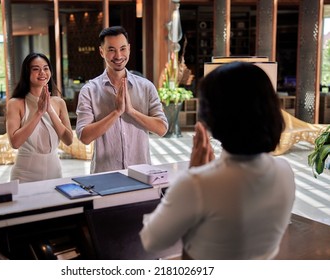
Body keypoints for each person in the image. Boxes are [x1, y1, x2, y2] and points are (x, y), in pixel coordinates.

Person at [139, 61, 296, 260]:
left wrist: (193, 173)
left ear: (211, 116)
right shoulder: (284, 171)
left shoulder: (197, 184)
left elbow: (152, 240)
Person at [76, 26, 168, 173]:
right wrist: (116, 112)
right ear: (101, 52)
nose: (118, 56)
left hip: (142, 173)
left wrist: (131, 111)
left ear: (129, 49)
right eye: (111, 50)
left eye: (123, 49)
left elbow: (162, 128)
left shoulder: (146, 87)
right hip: (105, 176)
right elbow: (84, 137)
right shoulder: (90, 90)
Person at [6, 52, 73, 183]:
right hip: (24, 174)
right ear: (27, 73)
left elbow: (69, 140)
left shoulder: (59, 103)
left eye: (46, 68)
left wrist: (50, 111)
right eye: (36, 69)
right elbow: (15, 143)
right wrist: (38, 113)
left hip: (54, 172)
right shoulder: (15, 103)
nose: (42, 72)